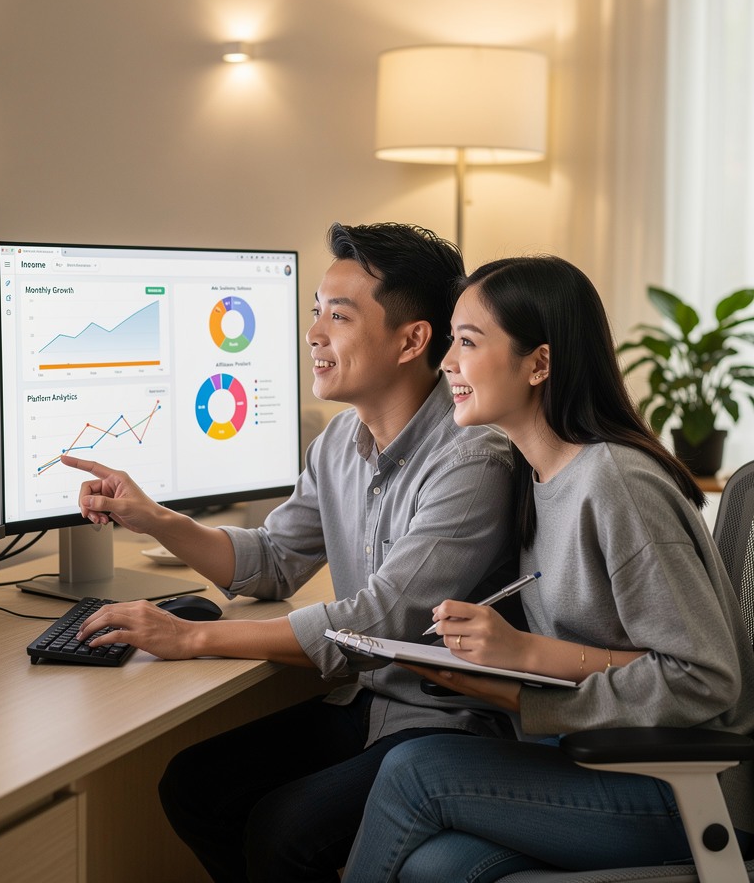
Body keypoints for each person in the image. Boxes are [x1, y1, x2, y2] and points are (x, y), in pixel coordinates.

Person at [62, 222, 519, 882]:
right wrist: (153, 517)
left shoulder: (473, 455)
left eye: (339, 315)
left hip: (446, 723)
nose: (314, 334)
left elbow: (378, 619)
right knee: (194, 787)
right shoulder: (338, 444)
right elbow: (273, 562)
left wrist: (190, 639)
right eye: (314, 313)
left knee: (285, 833)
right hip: (366, 702)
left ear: (413, 338)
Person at [341, 255, 754, 882]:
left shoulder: (617, 486)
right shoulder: (535, 476)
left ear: (539, 363)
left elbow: (704, 679)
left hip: (681, 788)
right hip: (597, 762)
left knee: (415, 771)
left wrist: (522, 672)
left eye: (469, 342)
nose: (447, 361)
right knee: (438, 866)